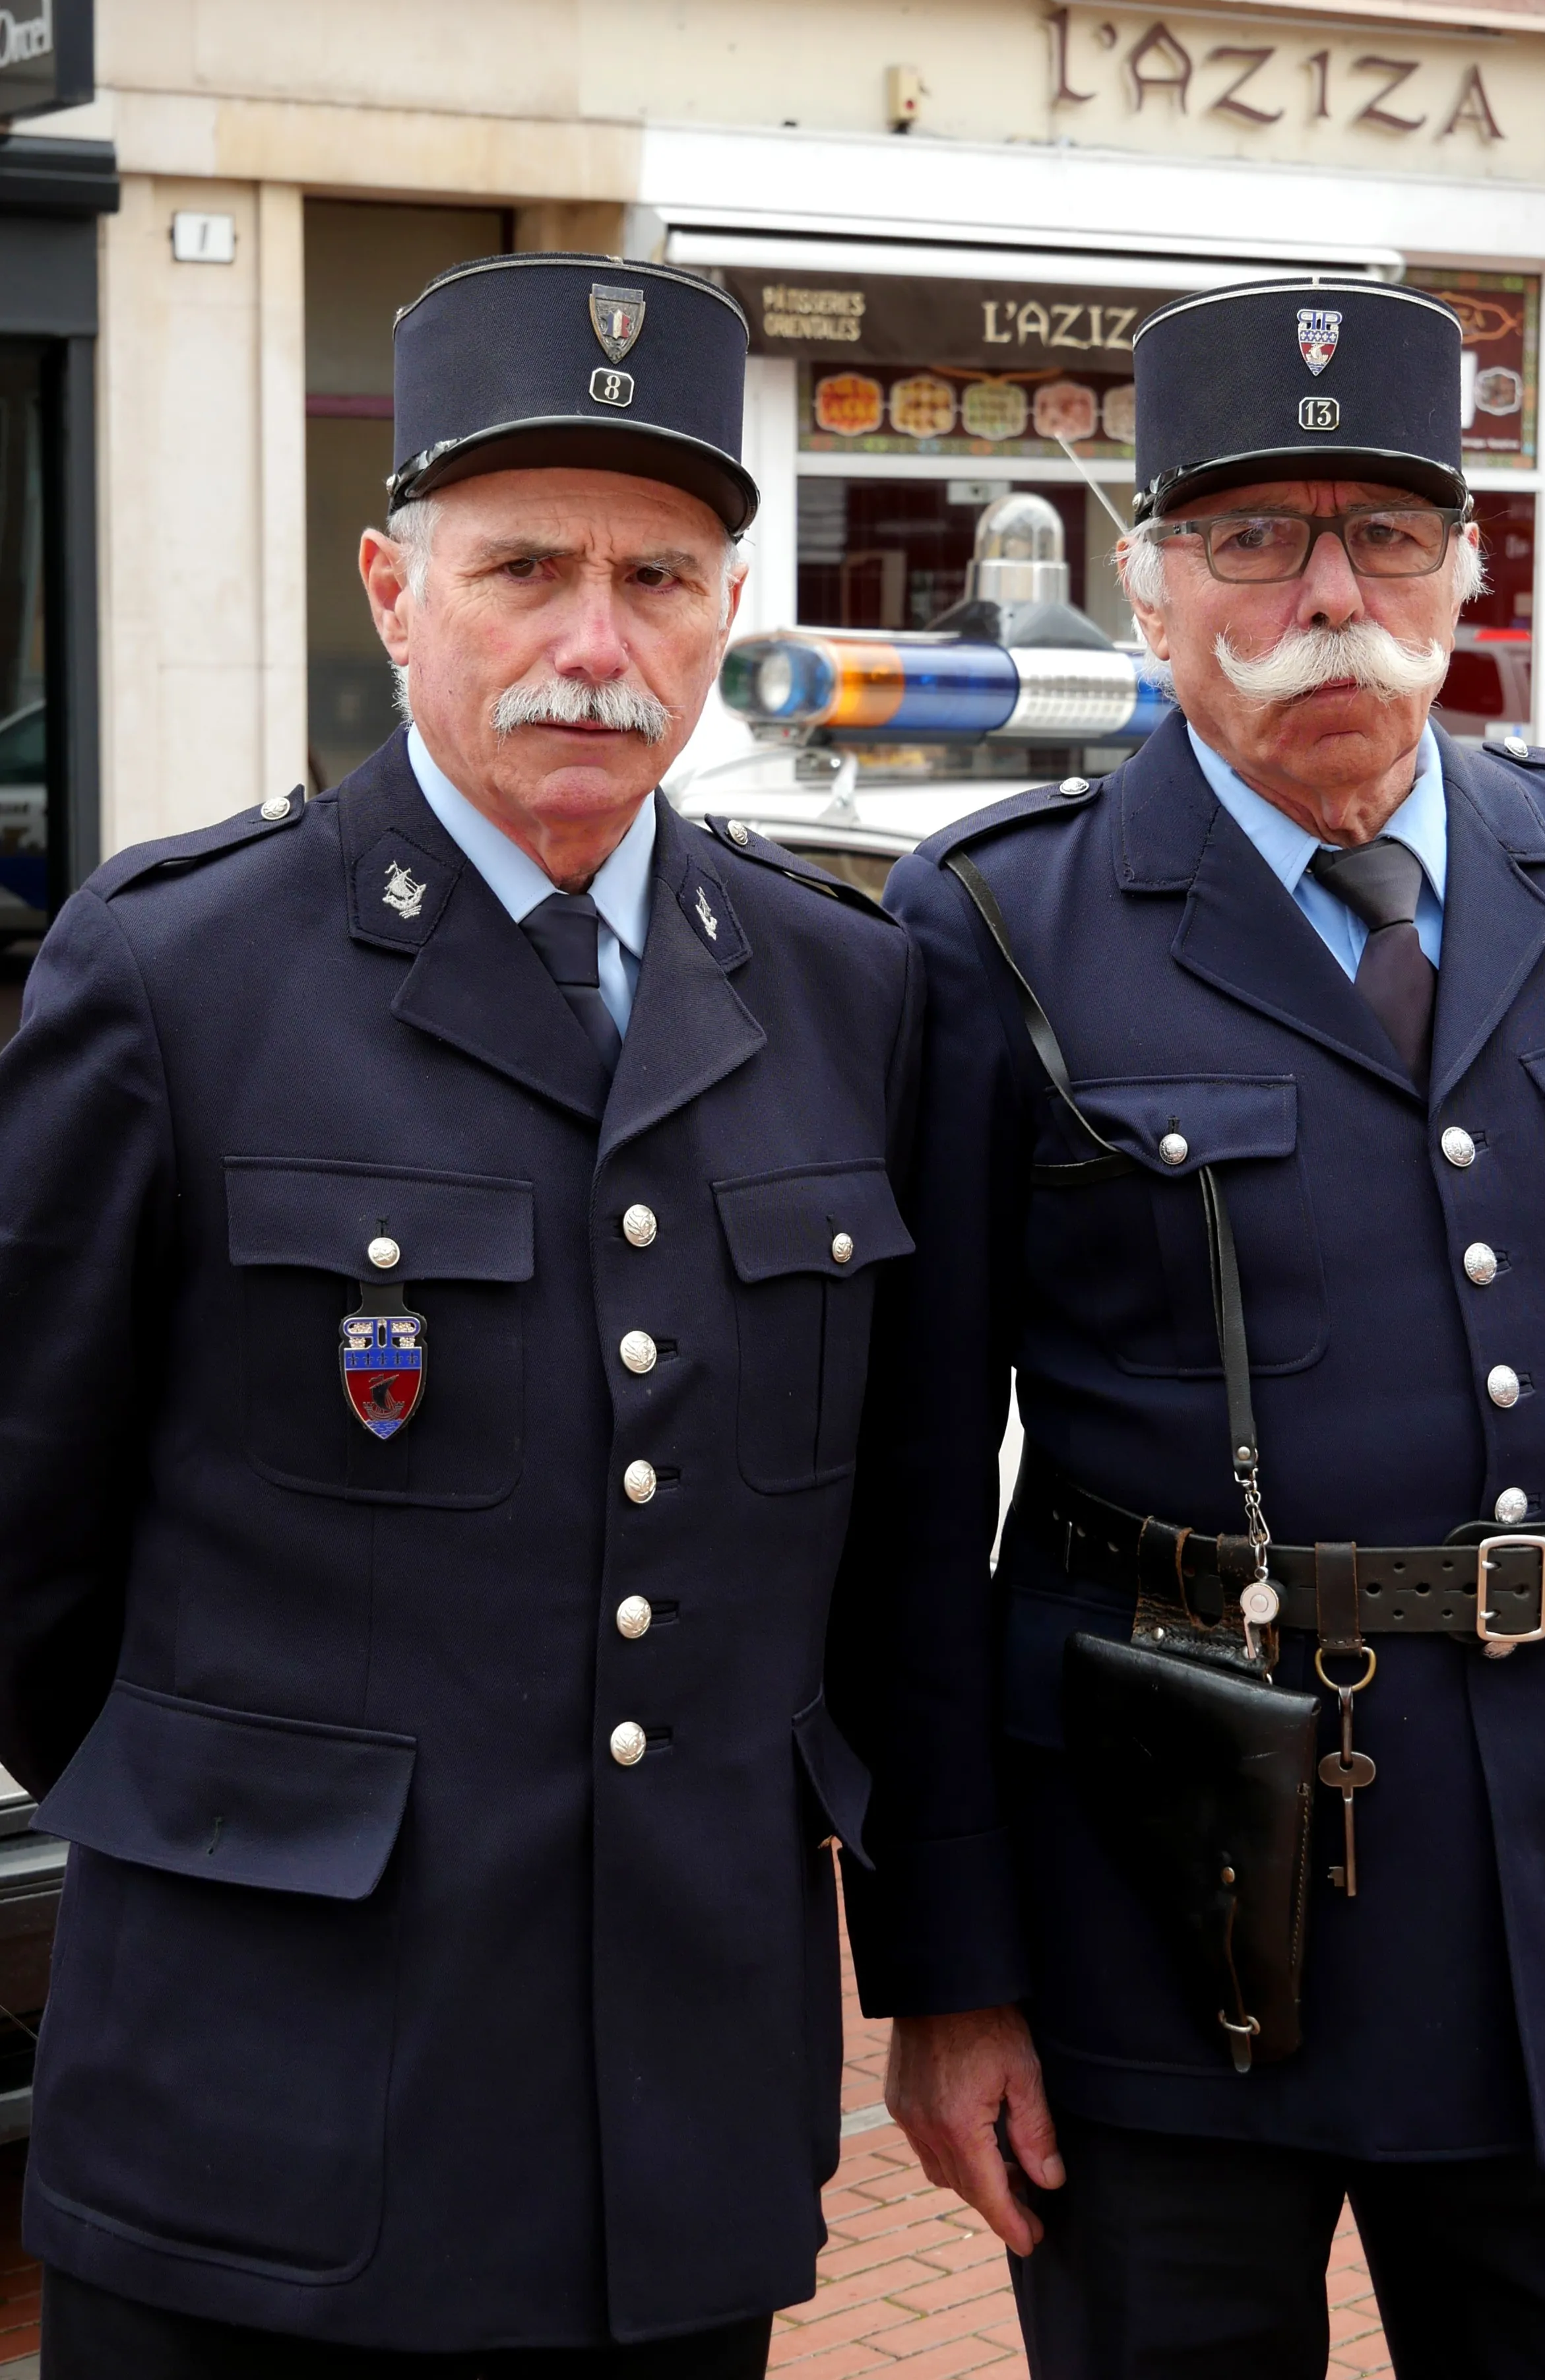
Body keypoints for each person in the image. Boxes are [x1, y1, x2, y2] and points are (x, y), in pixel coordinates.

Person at [835, 276, 1545, 2378]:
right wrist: (949, 1972)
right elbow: (913, 1508)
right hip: (1158, 1912)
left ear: (1469, 562)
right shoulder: (997, 929)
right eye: (1257, 536)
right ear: (1155, 581)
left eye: (1387, 530)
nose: (1330, 592)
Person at [0, 253, 918, 2375]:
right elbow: (28, 1558)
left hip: (671, 2132)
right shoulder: (175, 977)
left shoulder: (844, 989)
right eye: (525, 569)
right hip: (265, 2124)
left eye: (662, 578)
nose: (596, 647)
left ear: (721, 617)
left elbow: (861, 1557)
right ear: (394, 590)